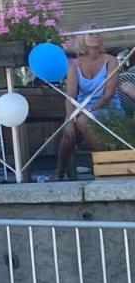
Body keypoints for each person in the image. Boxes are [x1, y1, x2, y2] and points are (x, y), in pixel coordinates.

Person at [57, 32, 123, 180]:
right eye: (90, 33)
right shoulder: (74, 64)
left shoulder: (111, 60)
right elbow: (71, 96)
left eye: (98, 33)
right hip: (81, 110)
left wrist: (88, 112)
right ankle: (59, 172)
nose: (95, 35)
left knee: (81, 121)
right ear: (82, 39)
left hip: (109, 109)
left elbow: (108, 94)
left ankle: (108, 164)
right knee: (69, 129)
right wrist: (69, 119)